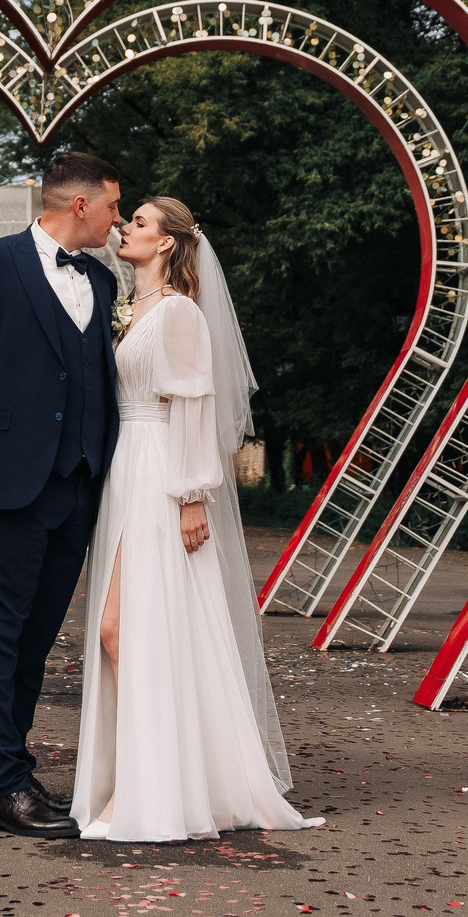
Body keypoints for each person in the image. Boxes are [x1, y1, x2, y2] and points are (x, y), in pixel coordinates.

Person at [72, 196, 319, 842]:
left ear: (168, 245)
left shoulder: (179, 313)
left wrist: (190, 496)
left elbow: (196, 404)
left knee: (125, 629)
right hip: (125, 472)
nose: (126, 226)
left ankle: (143, 786)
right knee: (129, 630)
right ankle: (149, 778)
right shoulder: (132, 310)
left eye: (142, 223)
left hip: (160, 476)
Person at [0, 151, 123, 840]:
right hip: (6, 479)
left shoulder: (101, 279)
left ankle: (13, 762)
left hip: (78, 484)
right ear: (79, 205)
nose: (117, 219)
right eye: (112, 206)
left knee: (35, 638)